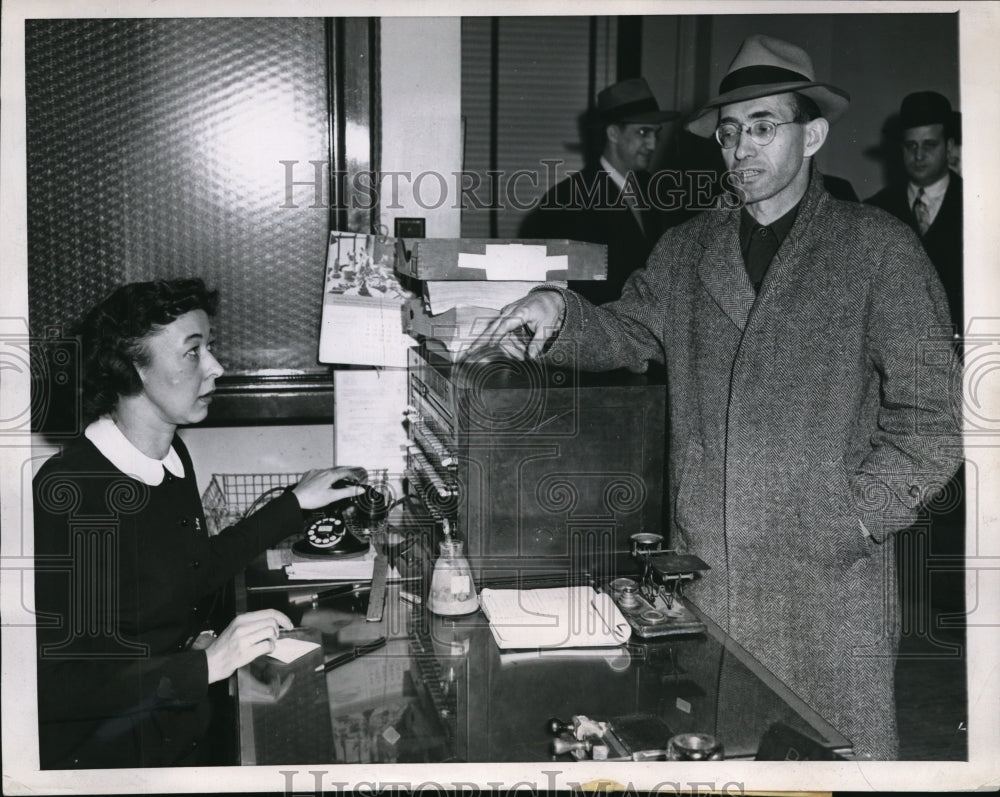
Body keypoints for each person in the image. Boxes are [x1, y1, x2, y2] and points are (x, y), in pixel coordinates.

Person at [474, 35, 962, 759]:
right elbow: (628, 330)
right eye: (730, 132)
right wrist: (559, 309)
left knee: (828, 764)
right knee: (721, 758)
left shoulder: (877, 249)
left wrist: (854, 517)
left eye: (763, 126)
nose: (740, 148)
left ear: (812, 136)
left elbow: (935, 419)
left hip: (828, 583)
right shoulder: (687, 247)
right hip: (711, 575)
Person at [33, 278, 368, 768]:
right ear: (132, 369)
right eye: (193, 352)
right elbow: (57, 687)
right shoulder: (72, 492)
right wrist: (207, 663)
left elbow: (194, 569)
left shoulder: (171, 456)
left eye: (210, 347)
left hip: (177, 726)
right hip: (112, 760)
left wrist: (296, 502)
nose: (216, 367)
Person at [520, 77, 681, 304]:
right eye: (643, 132)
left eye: (656, 133)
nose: (653, 144)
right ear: (613, 134)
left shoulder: (655, 188)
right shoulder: (567, 199)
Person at [867, 91, 963, 326]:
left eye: (930, 145)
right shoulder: (875, 209)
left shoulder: (976, 204)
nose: (918, 155)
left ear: (949, 147)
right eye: (911, 145)